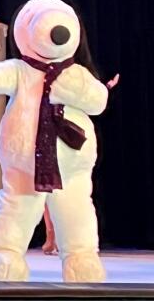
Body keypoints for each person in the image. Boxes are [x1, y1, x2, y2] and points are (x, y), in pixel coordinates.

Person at [40, 73, 119, 255]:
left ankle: (63, 238)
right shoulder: (45, 83)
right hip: (48, 139)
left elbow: (89, 97)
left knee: (68, 192)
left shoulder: (73, 82)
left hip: (70, 142)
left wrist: (106, 88)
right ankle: (51, 236)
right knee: (47, 191)